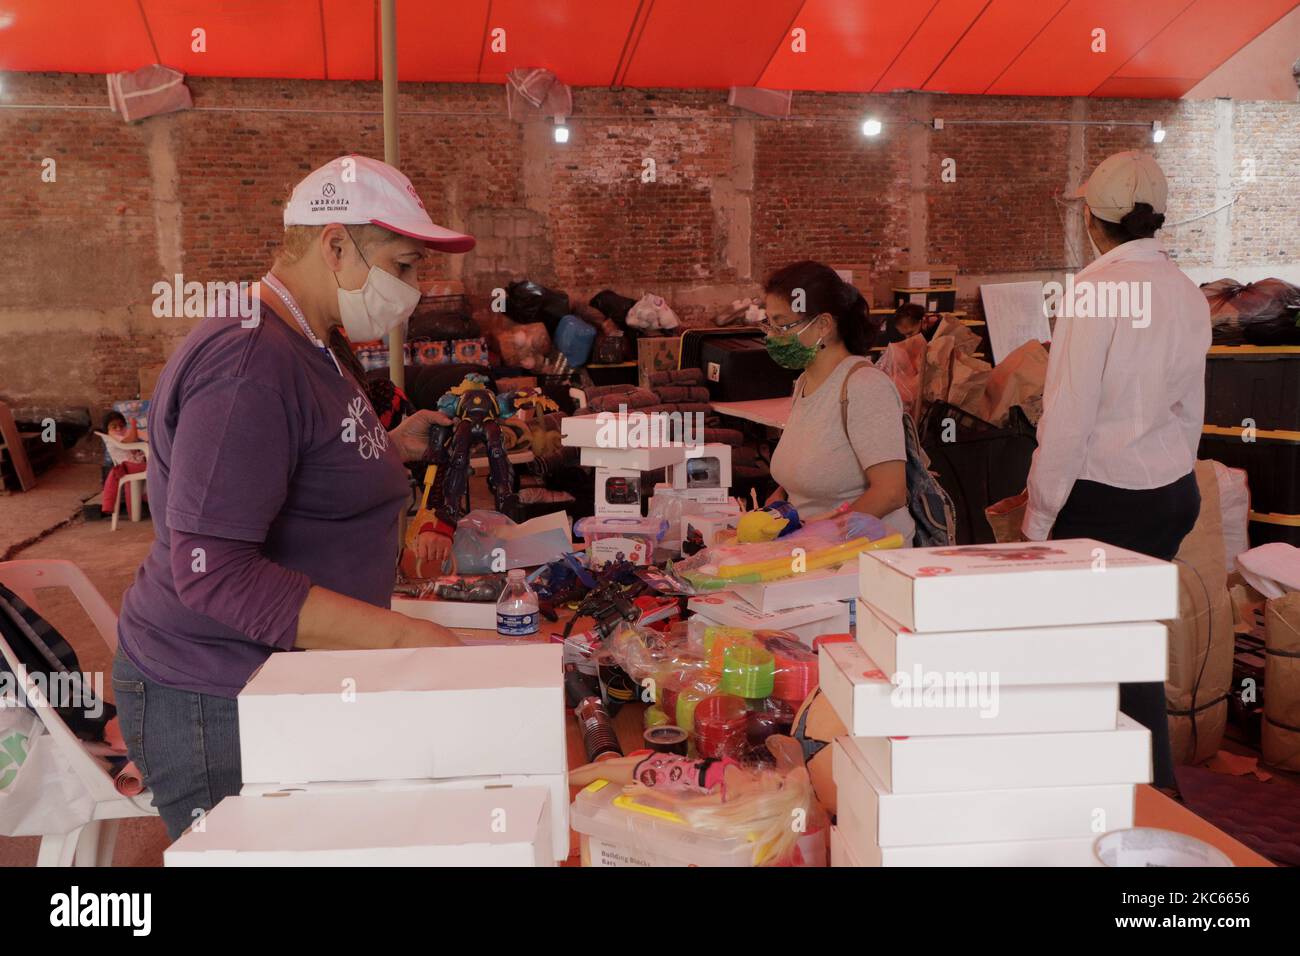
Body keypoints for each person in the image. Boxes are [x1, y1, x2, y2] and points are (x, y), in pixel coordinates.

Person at [113, 155, 476, 838]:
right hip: (218, 697)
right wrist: (405, 636)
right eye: (402, 267)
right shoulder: (249, 363)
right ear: (334, 243)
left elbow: (295, 454)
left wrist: (387, 447)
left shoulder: (313, 340)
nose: (412, 290)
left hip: (280, 683)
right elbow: (212, 570)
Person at [1023, 150, 1210, 791]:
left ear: (1092, 223)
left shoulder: (1093, 290)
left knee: (1084, 658)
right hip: (1169, 495)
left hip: (1103, 503)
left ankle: (1111, 800)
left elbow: (1068, 418)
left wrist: (1039, 516)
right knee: (1130, 648)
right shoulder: (1188, 291)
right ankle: (1155, 793)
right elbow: (1191, 412)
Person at [764, 261, 914, 543]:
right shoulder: (805, 383)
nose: (772, 336)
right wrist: (773, 512)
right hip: (814, 554)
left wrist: (824, 533)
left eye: (782, 325)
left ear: (823, 324)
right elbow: (799, 479)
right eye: (769, 324)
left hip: (867, 558)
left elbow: (891, 493)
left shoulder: (865, 387)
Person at [100, 411, 148, 516]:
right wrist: (134, 425)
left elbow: (143, 438)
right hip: (129, 467)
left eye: (121, 425)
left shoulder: (121, 433)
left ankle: (148, 496)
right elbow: (132, 440)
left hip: (133, 465)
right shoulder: (114, 437)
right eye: (114, 426)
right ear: (107, 429)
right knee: (161, 467)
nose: (118, 429)